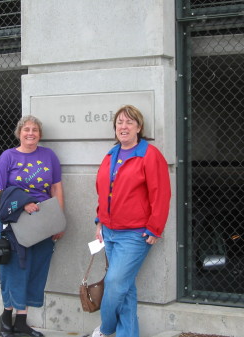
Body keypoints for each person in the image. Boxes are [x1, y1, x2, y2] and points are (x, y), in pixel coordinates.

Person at [92, 105, 171, 337]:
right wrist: (99, 221)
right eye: (119, 123)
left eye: (128, 122)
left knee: (115, 283)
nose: (123, 127)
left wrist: (155, 228)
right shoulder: (111, 154)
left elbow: (161, 194)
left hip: (135, 234)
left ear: (139, 127)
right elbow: (103, 190)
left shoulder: (149, 154)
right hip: (109, 231)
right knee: (125, 289)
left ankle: (106, 329)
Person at [0, 115, 64, 337]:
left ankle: (22, 322)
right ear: (19, 133)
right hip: (15, 222)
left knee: (35, 269)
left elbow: (56, 189)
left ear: (40, 134)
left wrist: (58, 221)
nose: (30, 133)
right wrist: (24, 203)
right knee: (15, 268)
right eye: (26, 129)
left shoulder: (49, 156)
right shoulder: (8, 156)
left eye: (35, 130)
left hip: (42, 222)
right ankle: (6, 317)